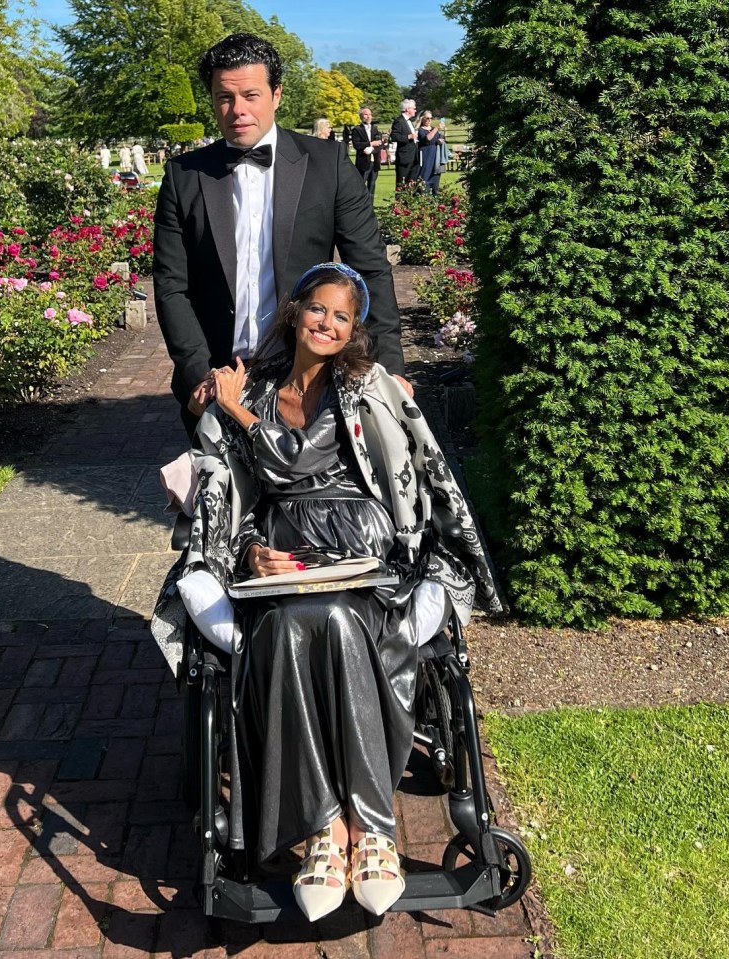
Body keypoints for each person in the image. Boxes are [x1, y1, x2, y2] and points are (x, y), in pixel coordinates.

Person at [151, 262, 502, 922]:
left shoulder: (360, 386)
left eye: (341, 317)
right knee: (287, 627)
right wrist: (249, 547)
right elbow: (239, 488)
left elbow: (293, 461)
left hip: (356, 541)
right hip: (283, 556)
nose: (327, 323)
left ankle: (371, 829)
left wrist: (232, 408)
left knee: (340, 618)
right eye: (318, 309)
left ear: (353, 330)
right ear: (296, 311)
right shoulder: (257, 383)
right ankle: (326, 831)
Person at [151, 33, 407, 432]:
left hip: (311, 378)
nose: (237, 110)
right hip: (219, 382)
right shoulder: (183, 177)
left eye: (251, 95)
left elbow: (370, 269)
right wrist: (198, 372)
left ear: (277, 95)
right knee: (220, 495)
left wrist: (388, 368)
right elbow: (171, 286)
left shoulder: (329, 164)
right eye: (224, 97)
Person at [350, 106, 383, 201]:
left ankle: (370, 208)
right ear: (361, 116)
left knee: (372, 186)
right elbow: (356, 145)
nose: (368, 116)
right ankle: (359, 206)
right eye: (366, 114)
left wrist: (372, 149)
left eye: (370, 114)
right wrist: (370, 144)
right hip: (363, 162)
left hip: (374, 162)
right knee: (361, 186)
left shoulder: (375, 129)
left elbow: (380, 144)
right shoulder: (357, 130)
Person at [390, 98, 419, 187]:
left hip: (413, 157)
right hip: (404, 158)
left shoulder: (409, 122)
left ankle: (409, 201)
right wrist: (408, 137)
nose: (415, 110)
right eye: (414, 108)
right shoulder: (399, 121)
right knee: (402, 184)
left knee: (411, 184)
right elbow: (394, 137)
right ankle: (400, 201)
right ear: (407, 109)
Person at [416, 112, 447, 195]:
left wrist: (440, 140)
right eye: (427, 118)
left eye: (431, 118)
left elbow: (437, 138)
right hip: (426, 156)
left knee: (435, 177)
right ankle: (423, 196)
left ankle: (435, 198)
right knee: (425, 177)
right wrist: (436, 128)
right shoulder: (420, 130)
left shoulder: (433, 128)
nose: (429, 120)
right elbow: (427, 139)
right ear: (422, 119)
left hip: (435, 157)